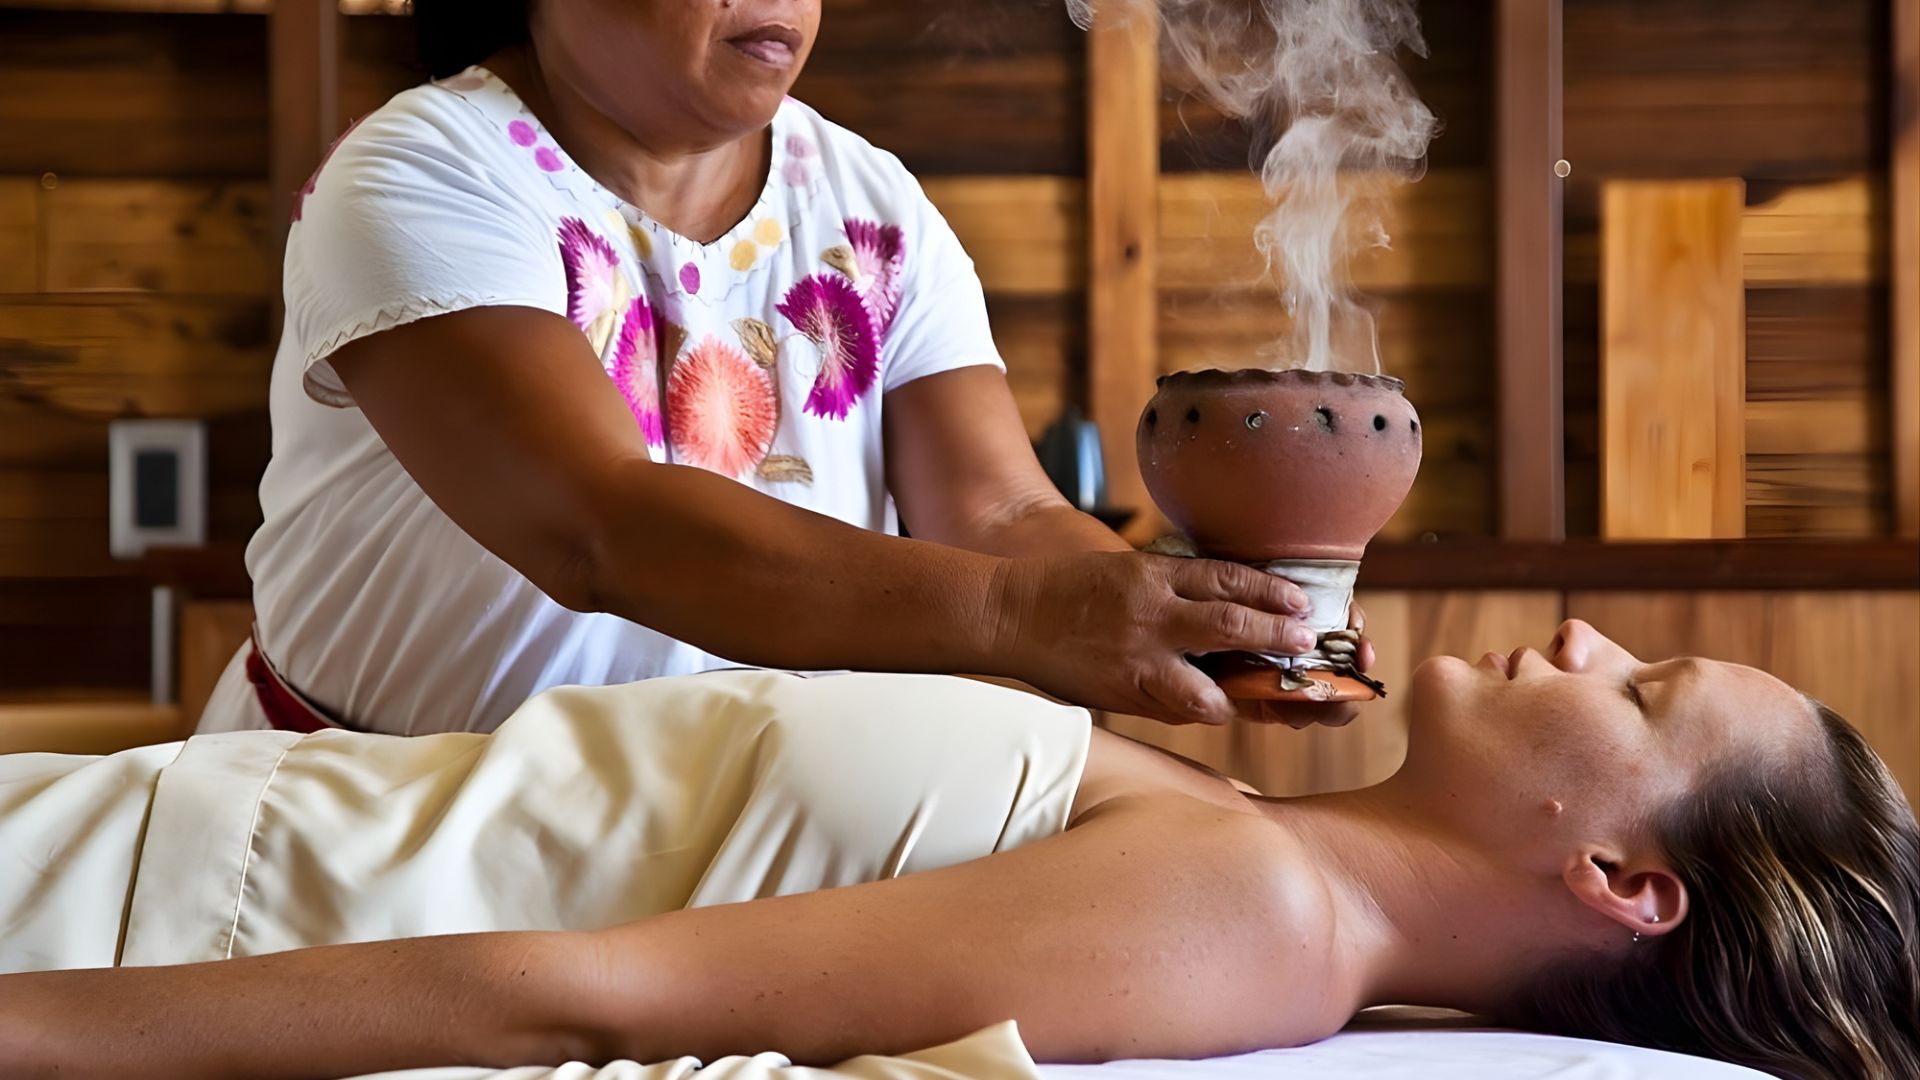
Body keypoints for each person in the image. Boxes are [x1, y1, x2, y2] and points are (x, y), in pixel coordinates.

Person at [4, 621, 1913, 1079]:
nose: (1579, 643)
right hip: (169, 843)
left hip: (132, 931)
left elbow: (574, 993)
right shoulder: (1248, 839)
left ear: (1622, 885)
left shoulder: (1247, 913)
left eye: (1641, 692)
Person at [196, 0, 1369, 737]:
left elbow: (1001, 511)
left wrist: (1185, 623)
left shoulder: (873, 206)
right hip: (365, 816)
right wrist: (1038, 612)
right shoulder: (421, 171)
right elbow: (598, 529)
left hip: (720, 826)